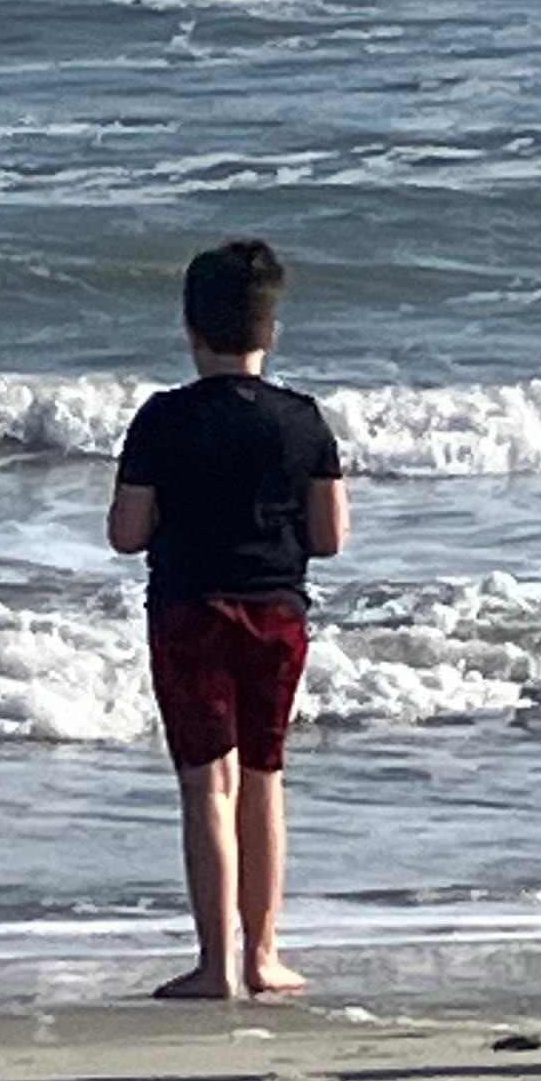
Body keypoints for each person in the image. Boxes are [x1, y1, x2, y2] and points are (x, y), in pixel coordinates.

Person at [109, 237, 350, 1000]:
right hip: (277, 612)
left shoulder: (161, 419)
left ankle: (214, 964)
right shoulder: (302, 421)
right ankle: (263, 956)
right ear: (269, 332)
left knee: (204, 785)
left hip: (188, 609)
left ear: (190, 329)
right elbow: (329, 538)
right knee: (263, 779)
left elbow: (126, 532)